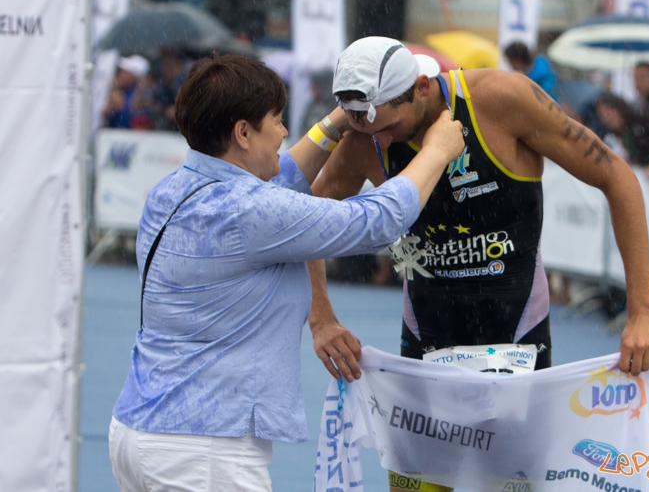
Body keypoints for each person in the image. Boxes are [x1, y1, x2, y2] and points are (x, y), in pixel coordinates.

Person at [306, 37, 649, 492]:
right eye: (368, 130)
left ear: (420, 86)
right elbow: (309, 221)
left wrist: (644, 310)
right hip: (427, 344)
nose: (380, 142)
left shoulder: (502, 99)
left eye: (389, 127)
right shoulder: (365, 137)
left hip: (516, 340)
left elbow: (619, 178)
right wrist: (320, 318)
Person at [107, 53, 465, 491]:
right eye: (276, 120)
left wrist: (341, 118)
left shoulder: (171, 190)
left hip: (137, 430)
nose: (283, 132)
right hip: (205, 448)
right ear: (242, 132)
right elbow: (375, 222)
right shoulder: (249, 210)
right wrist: (436, 151)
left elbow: (281, 181)